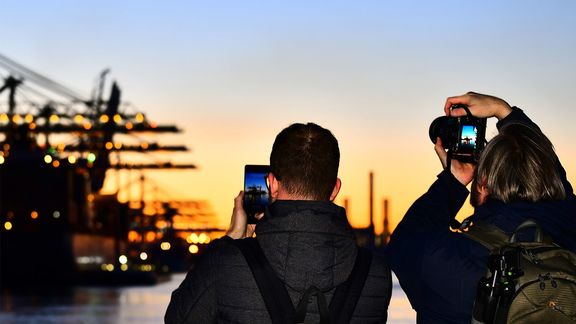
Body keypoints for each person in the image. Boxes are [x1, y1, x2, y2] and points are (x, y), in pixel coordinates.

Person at [165, 123, 392, 323]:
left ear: (272, 184)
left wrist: (233, 238)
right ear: (335, 189)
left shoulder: (224, 263)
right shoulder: (376, 272)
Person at [387, 92, 576, 323]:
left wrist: (453, 182)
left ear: (484, 183)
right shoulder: (568, 238)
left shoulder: (446, 260)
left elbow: (404, 241)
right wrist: (503, 110)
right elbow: (559, 186)